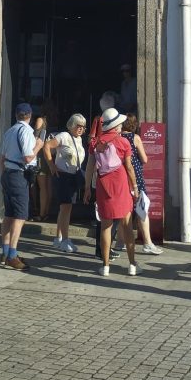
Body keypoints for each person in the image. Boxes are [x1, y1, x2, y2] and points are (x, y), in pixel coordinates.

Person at [85, 107, 140, 277]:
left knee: (105, 227)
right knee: (127, 226)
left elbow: (89, 167)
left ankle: (106, 266)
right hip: (121, 185)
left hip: (103, 186)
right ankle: (132, 265)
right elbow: (129, 168)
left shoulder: (95, 143)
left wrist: (87, 187)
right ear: (116, 126)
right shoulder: (123, 142)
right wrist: (135, 187)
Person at [0, 102, 44, 271]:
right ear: (30, 116)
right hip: (18, 176)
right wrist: (38, 146)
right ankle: (12, 255)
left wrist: (3, 176)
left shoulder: (9, 131)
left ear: (16, 115)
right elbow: (27, 158)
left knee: (9, 215)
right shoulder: (26, 131)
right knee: (20, 216)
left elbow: (2, 158)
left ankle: (4, 252)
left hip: (8, 175)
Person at [117, 113, 162, 255]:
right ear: (134, 124)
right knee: (142, 209)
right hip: (135, 177)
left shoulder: (117, 138)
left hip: (121, 176)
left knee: (123, 210)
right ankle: (147, 243)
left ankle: (120, 242)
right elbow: (144, 158)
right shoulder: (134, 138)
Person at [43, 113, 87, 253]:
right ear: (72, 125)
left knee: (65, 208)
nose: (81, 129)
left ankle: (58, 238)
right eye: (78, 126)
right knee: (66, 207)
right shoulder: (64, 136)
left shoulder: (79, 139)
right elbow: (47, 146)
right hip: (63, 176)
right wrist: (51, 165)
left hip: (73, 176)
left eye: (83, 126)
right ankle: (65, 240)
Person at [89, 91, 121, 260]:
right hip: (107, 177)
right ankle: (102, 249)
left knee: (104, 215)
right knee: (107, 215)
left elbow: (91, 141)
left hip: (100, 176)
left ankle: (102, 248)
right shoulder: (104, 124)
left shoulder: (98, 122)